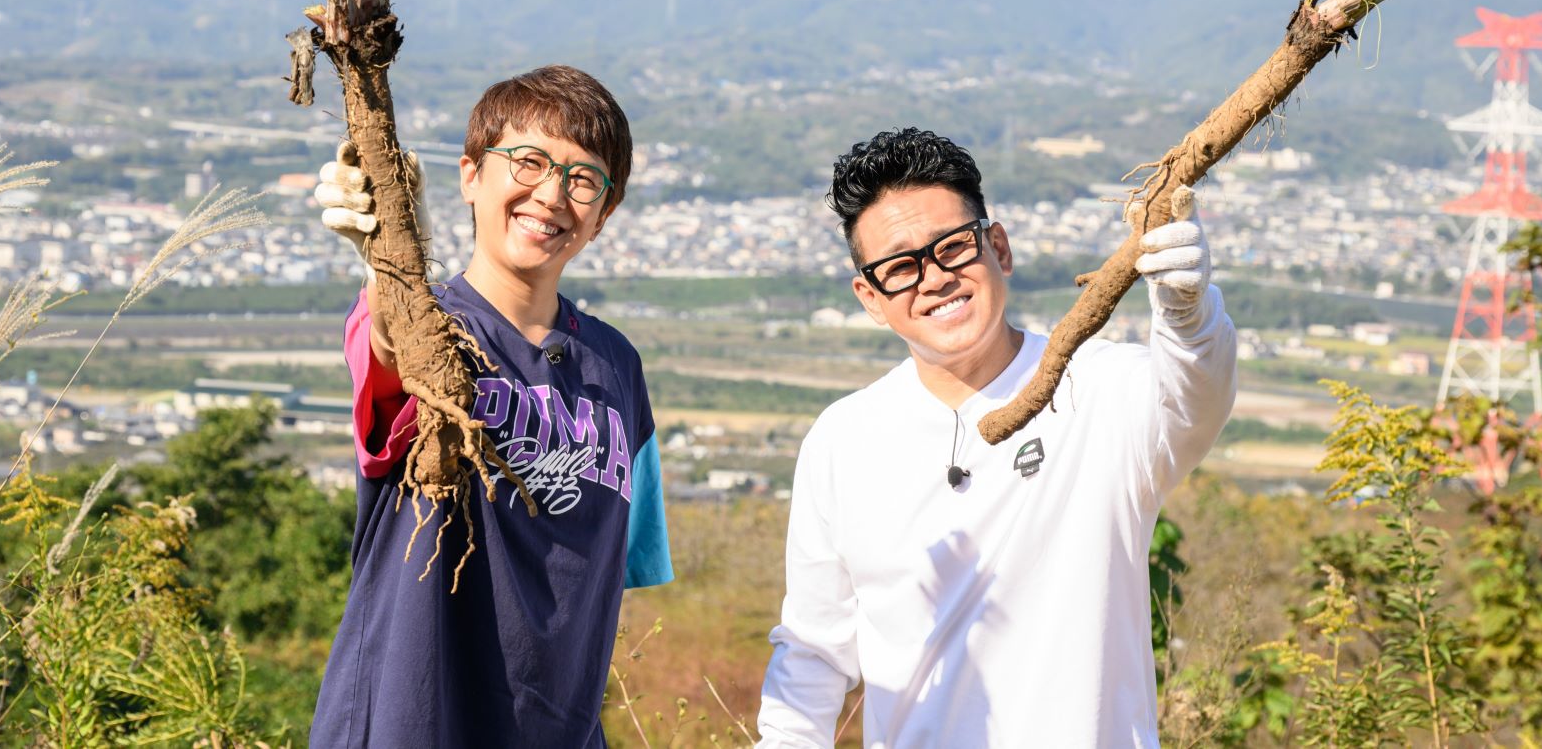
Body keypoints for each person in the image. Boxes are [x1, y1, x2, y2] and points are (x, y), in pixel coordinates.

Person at [756, 127, 1236, 747]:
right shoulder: (843, 439)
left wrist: (1188, 311)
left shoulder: (1102, 388)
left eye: (952, 248)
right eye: (899, 268)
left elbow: (1197, 397)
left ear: (998, 248)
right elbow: (814, 651)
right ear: (870, 298)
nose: (933, 279)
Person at [309, 65, 673, 747]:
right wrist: (390, 261)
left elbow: (618, 569)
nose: (552, 194)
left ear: (605, 213)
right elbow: (395, 344)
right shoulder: (432, 327)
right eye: (529, 162)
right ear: (471, 175)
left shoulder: (617, 367)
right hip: (412, 721)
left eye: (583, 178)